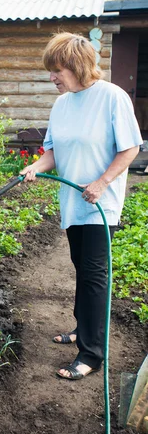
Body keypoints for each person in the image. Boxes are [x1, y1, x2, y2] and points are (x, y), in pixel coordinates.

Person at [20, 32, 143, 380]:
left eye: (57, 70)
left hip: (100, 205)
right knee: (81, 267)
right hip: (73, 201)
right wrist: (36, 166)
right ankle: (82, 328)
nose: (52, 78)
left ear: (77, 66)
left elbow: (131, 148)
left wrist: (103, 182)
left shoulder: (112, 98)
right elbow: (53, 151)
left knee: (94, 277)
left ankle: (92, 354)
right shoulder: (62, 104)